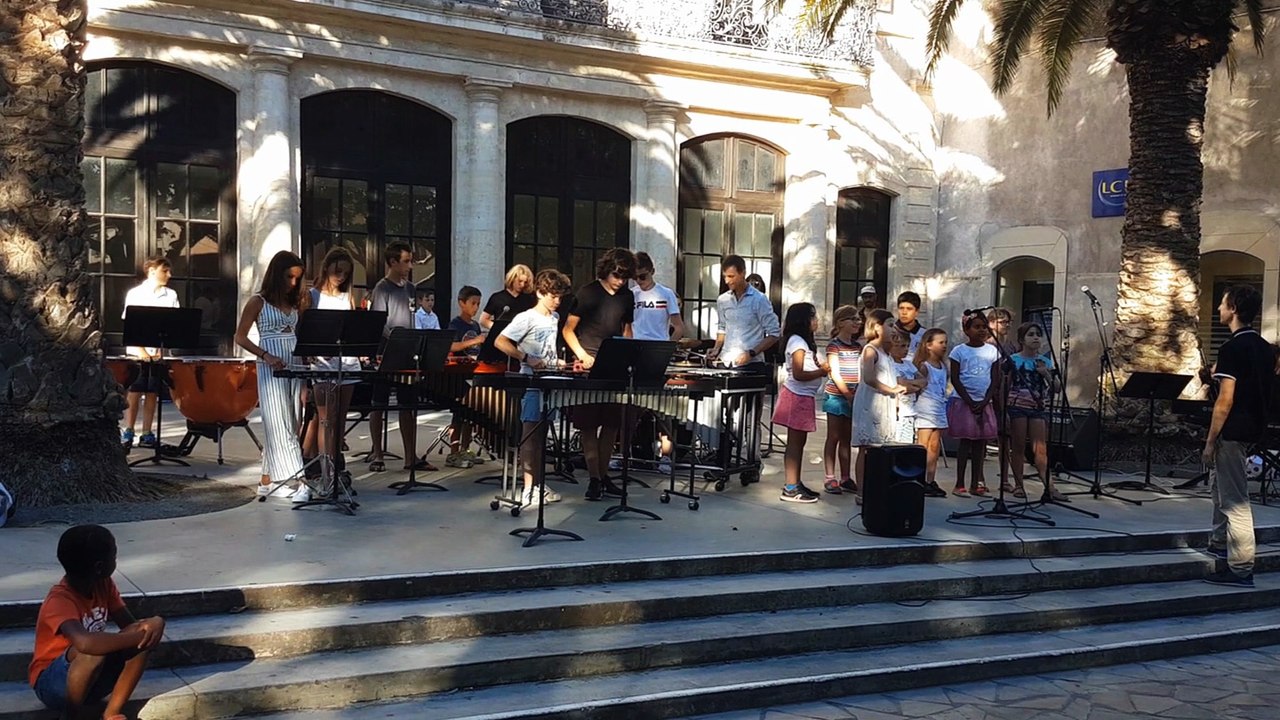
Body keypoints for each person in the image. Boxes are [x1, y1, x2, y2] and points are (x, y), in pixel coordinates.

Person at [29, 525, 165, 720]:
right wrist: (142, 634)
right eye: (114, 556)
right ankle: (70, 717)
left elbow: (129, 624)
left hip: (92, 679)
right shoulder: (59, 600)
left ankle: (111, 713)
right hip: (53, 685)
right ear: (99, 566)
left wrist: (154, 623)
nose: (116, 561)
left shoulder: (104, 585)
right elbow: (85, 643)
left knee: (139, 638)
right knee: (93, 651)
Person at [1202, 285, 1271, 588]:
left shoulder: (1231, 348)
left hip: (1232, 429)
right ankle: (1218, 541)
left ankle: (1242, 567)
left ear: (1233, 309)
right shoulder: (1264, 347)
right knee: (1222, 486)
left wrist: (1209, 440)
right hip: (1254, 427)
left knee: (1234, 499)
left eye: (1222, 303)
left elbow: (1225, 400)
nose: (1218, 308)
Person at [234, 250, 310, 501]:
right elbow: (240, 336)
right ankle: (296, 480)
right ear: (278, 275)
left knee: (293, 421)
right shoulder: (258, 302)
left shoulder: (294, 302)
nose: (293, 283)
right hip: (271, 367)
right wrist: (265, 355)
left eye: (297, 278)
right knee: (280, 423)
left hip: (294, 363)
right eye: (289, 277)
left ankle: (266, 479)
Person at [563, 247, 637, 501]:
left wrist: (629, 353)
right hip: (587, 366)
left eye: (625, 277)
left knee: (612, 425)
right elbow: (568, 330)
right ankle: (594, 479)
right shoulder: (588, 293)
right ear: (606, 271)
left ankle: (603, 475)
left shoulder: (627, 296)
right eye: (617, 275)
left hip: (615, 364)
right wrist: (582, 355)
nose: (620, 281)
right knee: (588, 425)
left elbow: (627, 330)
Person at [495, 269, 574, 509]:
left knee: (541, 436)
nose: (558, 301)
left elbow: (547, 350)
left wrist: (558, 363)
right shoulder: (525, 317)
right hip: (530, 382)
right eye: (553, 296)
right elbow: (500, 341)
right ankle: (528, 488)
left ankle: (539, 484)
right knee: (530, 434)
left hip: (549, 379)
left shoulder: (554, 318)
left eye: (560, 296)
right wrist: (525, 357)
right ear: (540, 293)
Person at [365, 242, 432, 474]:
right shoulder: (382, 288)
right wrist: (395, 337)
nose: (409, 265)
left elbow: (414, 316)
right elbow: (378, 321)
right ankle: (377, 452)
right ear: (392, 262)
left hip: (408, 354)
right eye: (405, 261)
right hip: (386, 351)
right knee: (379, 402)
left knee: (408, 404)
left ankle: (410, 455)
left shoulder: (411, 289)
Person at [302, 247, 360, 485]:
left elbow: (355, 326)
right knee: (326, 418)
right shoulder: (313, 296)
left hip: (346, 362)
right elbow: (303, 329)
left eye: (346, 273)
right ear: (326, 268)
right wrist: (308, 354)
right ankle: (326, 472)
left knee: (340, 419)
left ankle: (336, 465)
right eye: (337, 271)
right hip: (323, 362)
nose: (341, 277)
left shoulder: (347, 297)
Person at [630, 252, 684, 471]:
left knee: (663, 409)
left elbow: (679, 326)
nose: (639, 282)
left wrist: (668, 348)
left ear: (652, 271)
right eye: (636, 278)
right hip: (635, 353)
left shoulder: (666, 293)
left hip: (658, 354)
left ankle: (666, 455)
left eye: (643, 277)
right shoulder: (631, 295)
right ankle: (627, 453)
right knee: (630, 408)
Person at [120, 257, 179, 449]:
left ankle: (147, 431)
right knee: (135, 391)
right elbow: (130, 324)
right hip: (137, 351)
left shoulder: (170, 295)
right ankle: (128, 429)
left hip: (158, 350)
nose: (168, 275)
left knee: (152, 391)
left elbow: (173, 323)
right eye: (165, 271)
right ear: (152, 271)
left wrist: (160, 352)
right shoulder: (136, 294)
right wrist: (141, 351)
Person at [774, 303, 830, 503]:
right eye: (813, 317)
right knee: (795, 444)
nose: (817, 321)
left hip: (803, 397)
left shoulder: (803, 342)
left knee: (800, 442)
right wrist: (821, 372)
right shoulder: (797, 342)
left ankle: (795, 482)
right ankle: (790, 487)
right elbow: (798, 374)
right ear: (803, 320)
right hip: (796, 396)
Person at [1005, 321, 1064, 501]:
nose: (1035, 338)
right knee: (1019, 446)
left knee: (1040, 448)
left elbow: (1056, 388)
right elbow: (1005, 385)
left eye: (1038, 334)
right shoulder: (1013, 360)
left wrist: (1045, 373)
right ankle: (1019, 485)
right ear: (1022, 339)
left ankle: (1049, 486)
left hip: (1037, 407)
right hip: (1017, 407)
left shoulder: (1045, 361)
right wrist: (1004, 410)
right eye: (1030, 334)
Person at [850, 310, 905, 500]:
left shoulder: (886, 353)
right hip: (871, 403)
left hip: (886, 403)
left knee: (881, 449)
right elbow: (869, 378)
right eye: (890, 325)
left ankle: (877, 487)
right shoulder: (870, 350)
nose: (894, 329)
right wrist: (890, 390)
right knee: (867, 448)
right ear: (877, 327)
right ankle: (862, 491)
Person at [948, 312, 1000, 498]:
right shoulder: (959, 351)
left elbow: (995, 378)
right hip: (964, 401)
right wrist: (970, 401)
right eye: (976, 327)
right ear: (966, 330)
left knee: (980, 444)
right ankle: (959, 483)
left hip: (984, 402)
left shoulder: (993, 351)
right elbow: (955, 378)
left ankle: (976, 483)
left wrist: (985, 400)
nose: (982, 330)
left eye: (984, 327)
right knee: (965, 442)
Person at [444, 285, 487, 469]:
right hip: (457, 375)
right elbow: (451, 346)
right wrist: (475, 340)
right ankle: (453, 453)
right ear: (462, 303)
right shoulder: (455, 324)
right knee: (458, 414)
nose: (476, 308)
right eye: (472, 303)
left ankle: (465, 449)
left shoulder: (475, 325)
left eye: (478, 303)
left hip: (474, 372)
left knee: (471, 414)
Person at [822, 305, 862, 495]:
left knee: (847, 438)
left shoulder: (857, 347)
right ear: (840, 323)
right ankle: (830, 477)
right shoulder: (834, 346)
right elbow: (835, 373)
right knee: (834, 436)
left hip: (853, 396)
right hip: (837, 397)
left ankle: (846, 477)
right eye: (853, 319)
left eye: (858, 319)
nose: (858, 322)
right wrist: (848, 394)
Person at [913, 328, 951, 498]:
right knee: (923, 445)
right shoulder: (924, 366)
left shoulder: (943, 366)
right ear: (928, 345)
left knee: (934, 446)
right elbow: (917, 387)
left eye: (945, 342)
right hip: (925, 408)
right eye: (940, 342)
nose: (944, 346)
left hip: (939, 407)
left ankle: (930, 479)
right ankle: (919, 479)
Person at [887, 329, 927, 444]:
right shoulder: (890, 363)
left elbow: (923, 381)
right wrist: (912, 384)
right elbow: (899, 382)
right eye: (901, 346)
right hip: (897, 410)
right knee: (896, 442)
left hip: (910, 409)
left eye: (907, 346)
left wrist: (913, 385)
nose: (905, 349)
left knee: (907, 442)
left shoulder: (908, 364)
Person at [479, 264, 535, 331]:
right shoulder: (497, 297)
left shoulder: (529, 299)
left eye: (525, 282)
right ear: (512, 279)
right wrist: (498, 329)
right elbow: (483, 320)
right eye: (519, 281)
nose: (522, 285)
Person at [893, 291, 927, 355]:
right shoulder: (890, 332)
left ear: (917, 311)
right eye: (901, 308)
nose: (904, 312)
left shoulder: (925, 335)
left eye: (909, 309)